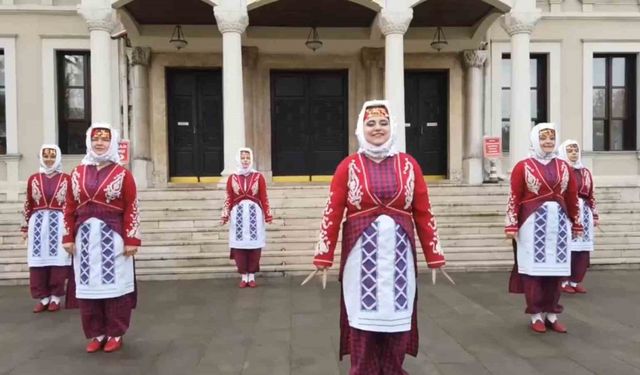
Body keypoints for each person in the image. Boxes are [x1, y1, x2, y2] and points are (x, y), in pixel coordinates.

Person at [312, 100, 445, 374]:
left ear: (392, 127)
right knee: (363, 320)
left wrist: (434, 255)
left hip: (399, 255)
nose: (377, 128)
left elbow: (423, 211)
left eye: (383, 123)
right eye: (370, 123)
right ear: (361, 128)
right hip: (360, 257)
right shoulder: (348, 166)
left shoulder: (409, 165)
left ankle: (394, 368)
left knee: (397, 317)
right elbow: (333, 211)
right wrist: (323, 256)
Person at [62, 123, 141, 353]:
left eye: (104, 140)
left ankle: (115, 333)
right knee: (88, 289)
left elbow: (132, 207)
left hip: (113, 237)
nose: (99, 143)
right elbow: (69, 206)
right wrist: (67, 236)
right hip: (84, 239)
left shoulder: (123, 174)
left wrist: (131, 239)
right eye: (95, 139)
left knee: (115, 289)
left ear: (112, 143)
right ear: (89, 141)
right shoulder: (77, 173)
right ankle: (96, 333)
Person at [505, 123, 582, 334]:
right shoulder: (523, 166)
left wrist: (576, 221)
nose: (547, 142)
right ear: (534, 140)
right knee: (534, 271)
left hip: (558, 225)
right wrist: (511, 224)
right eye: (543, 138)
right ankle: (536, 314)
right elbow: (514, 196)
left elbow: (572, 196)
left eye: (551, 138)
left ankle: (552, 313)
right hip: (532, 224)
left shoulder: (564, 166)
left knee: (557, 271)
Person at [22, 145, 72, 313]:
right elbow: (29, 203)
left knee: (58, 260)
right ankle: (43, 297)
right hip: (38, 224)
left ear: (57, 158)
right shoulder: (34, 179)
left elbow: (72, 204)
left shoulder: (67, 179)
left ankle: (56, 298)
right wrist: (24, 227)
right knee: (38, 262)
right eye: (46, 156)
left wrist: (72, 227)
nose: (49, 160)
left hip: (59, 223)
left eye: (52, 156)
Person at [221, 148, 272, 288]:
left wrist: (268, 214)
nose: (245, 161)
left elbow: (263, 197)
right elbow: (229, 197)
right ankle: (244, 276)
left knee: (254, 246)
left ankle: (252, 275)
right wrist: (225, 214)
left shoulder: (258, 177)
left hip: (254, 215)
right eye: (243, 158)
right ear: (239, 159)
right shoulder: (232, 178)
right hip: (238, 216)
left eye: (247, 158)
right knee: (240, 247)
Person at [558, 140, 598, 294]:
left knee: (582, 249)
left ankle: (575, 281)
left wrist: (594, 214)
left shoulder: (585, 172)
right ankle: (563, 281)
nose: (574, 153)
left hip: (585, 212)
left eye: (576, 150)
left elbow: (591, 194)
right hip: (568, 211)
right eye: (570, 150)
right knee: (567, 247)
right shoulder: (561, 171)